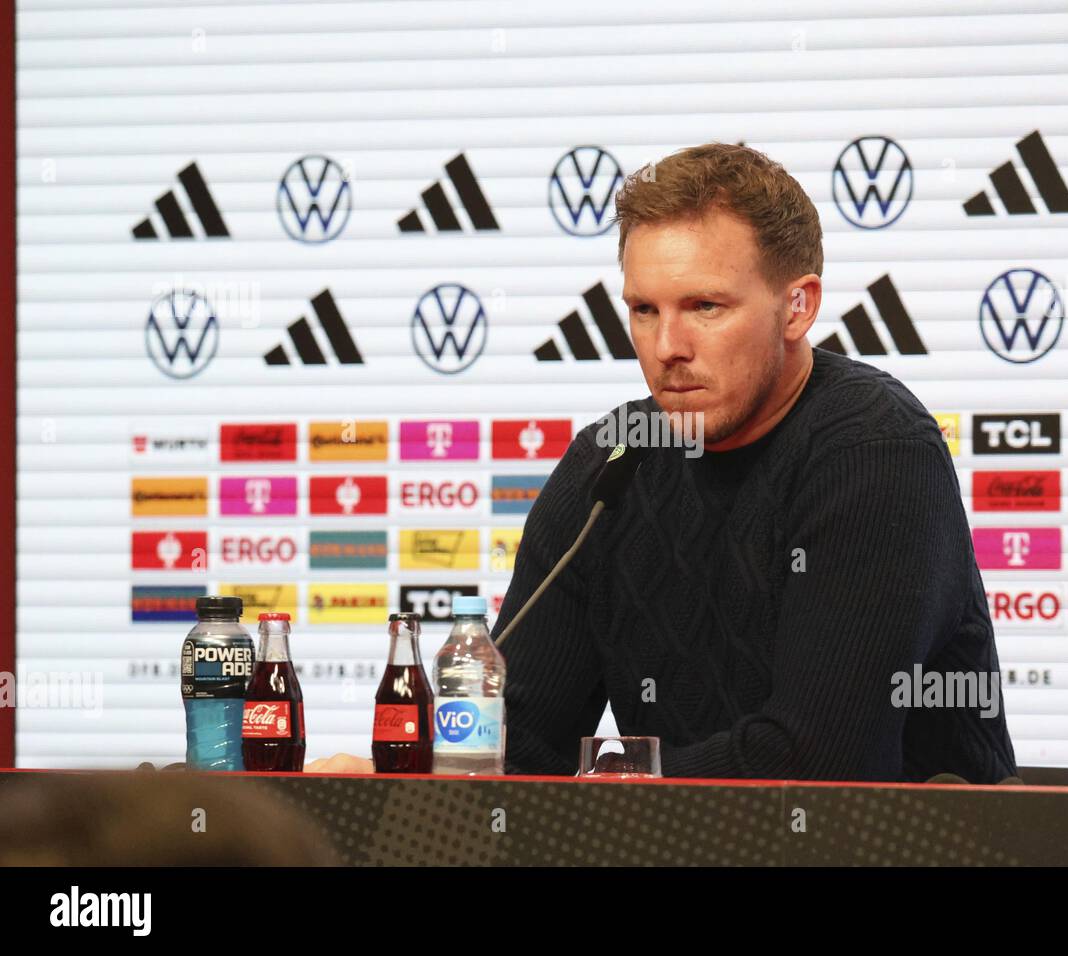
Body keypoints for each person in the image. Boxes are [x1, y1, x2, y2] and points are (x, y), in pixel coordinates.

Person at [310, 142, 1017, 782]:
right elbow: (517, 740)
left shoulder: (874, 450)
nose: (667, 345)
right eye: (644, 310)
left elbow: (816, 759)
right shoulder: (610, 464)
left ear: (798, 308)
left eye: (705, 306)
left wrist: (609, 787)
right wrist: (395, 782)